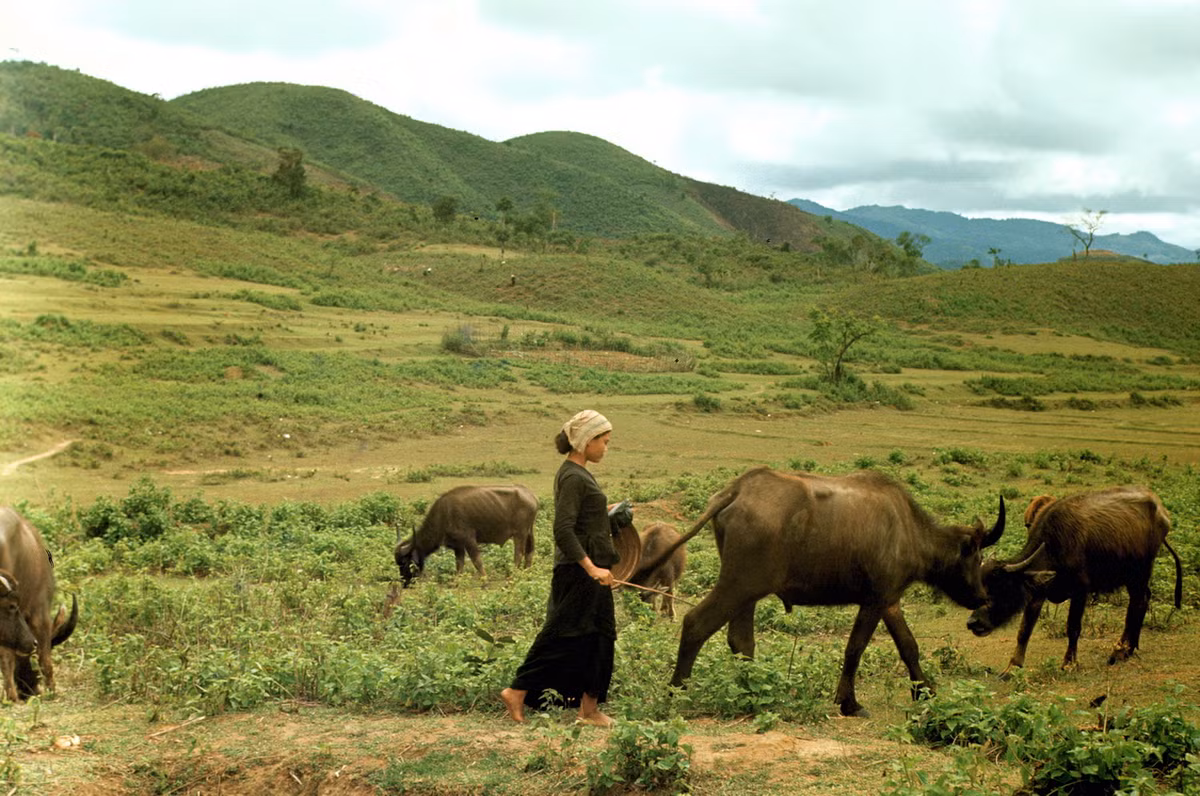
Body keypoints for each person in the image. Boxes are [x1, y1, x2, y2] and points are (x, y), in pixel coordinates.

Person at [501, 409, 619, 727]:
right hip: (579, 572)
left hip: (589, 570)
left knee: (599, 637)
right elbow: (563, 529)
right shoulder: (572, 476)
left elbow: (579, 520)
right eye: (603, 442)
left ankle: (589, 709)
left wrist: (603, 512)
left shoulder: (578, 475)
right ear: (586, 442)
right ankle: (517, 690)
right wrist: (591, 567)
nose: (606, 448)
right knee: (560, 637)